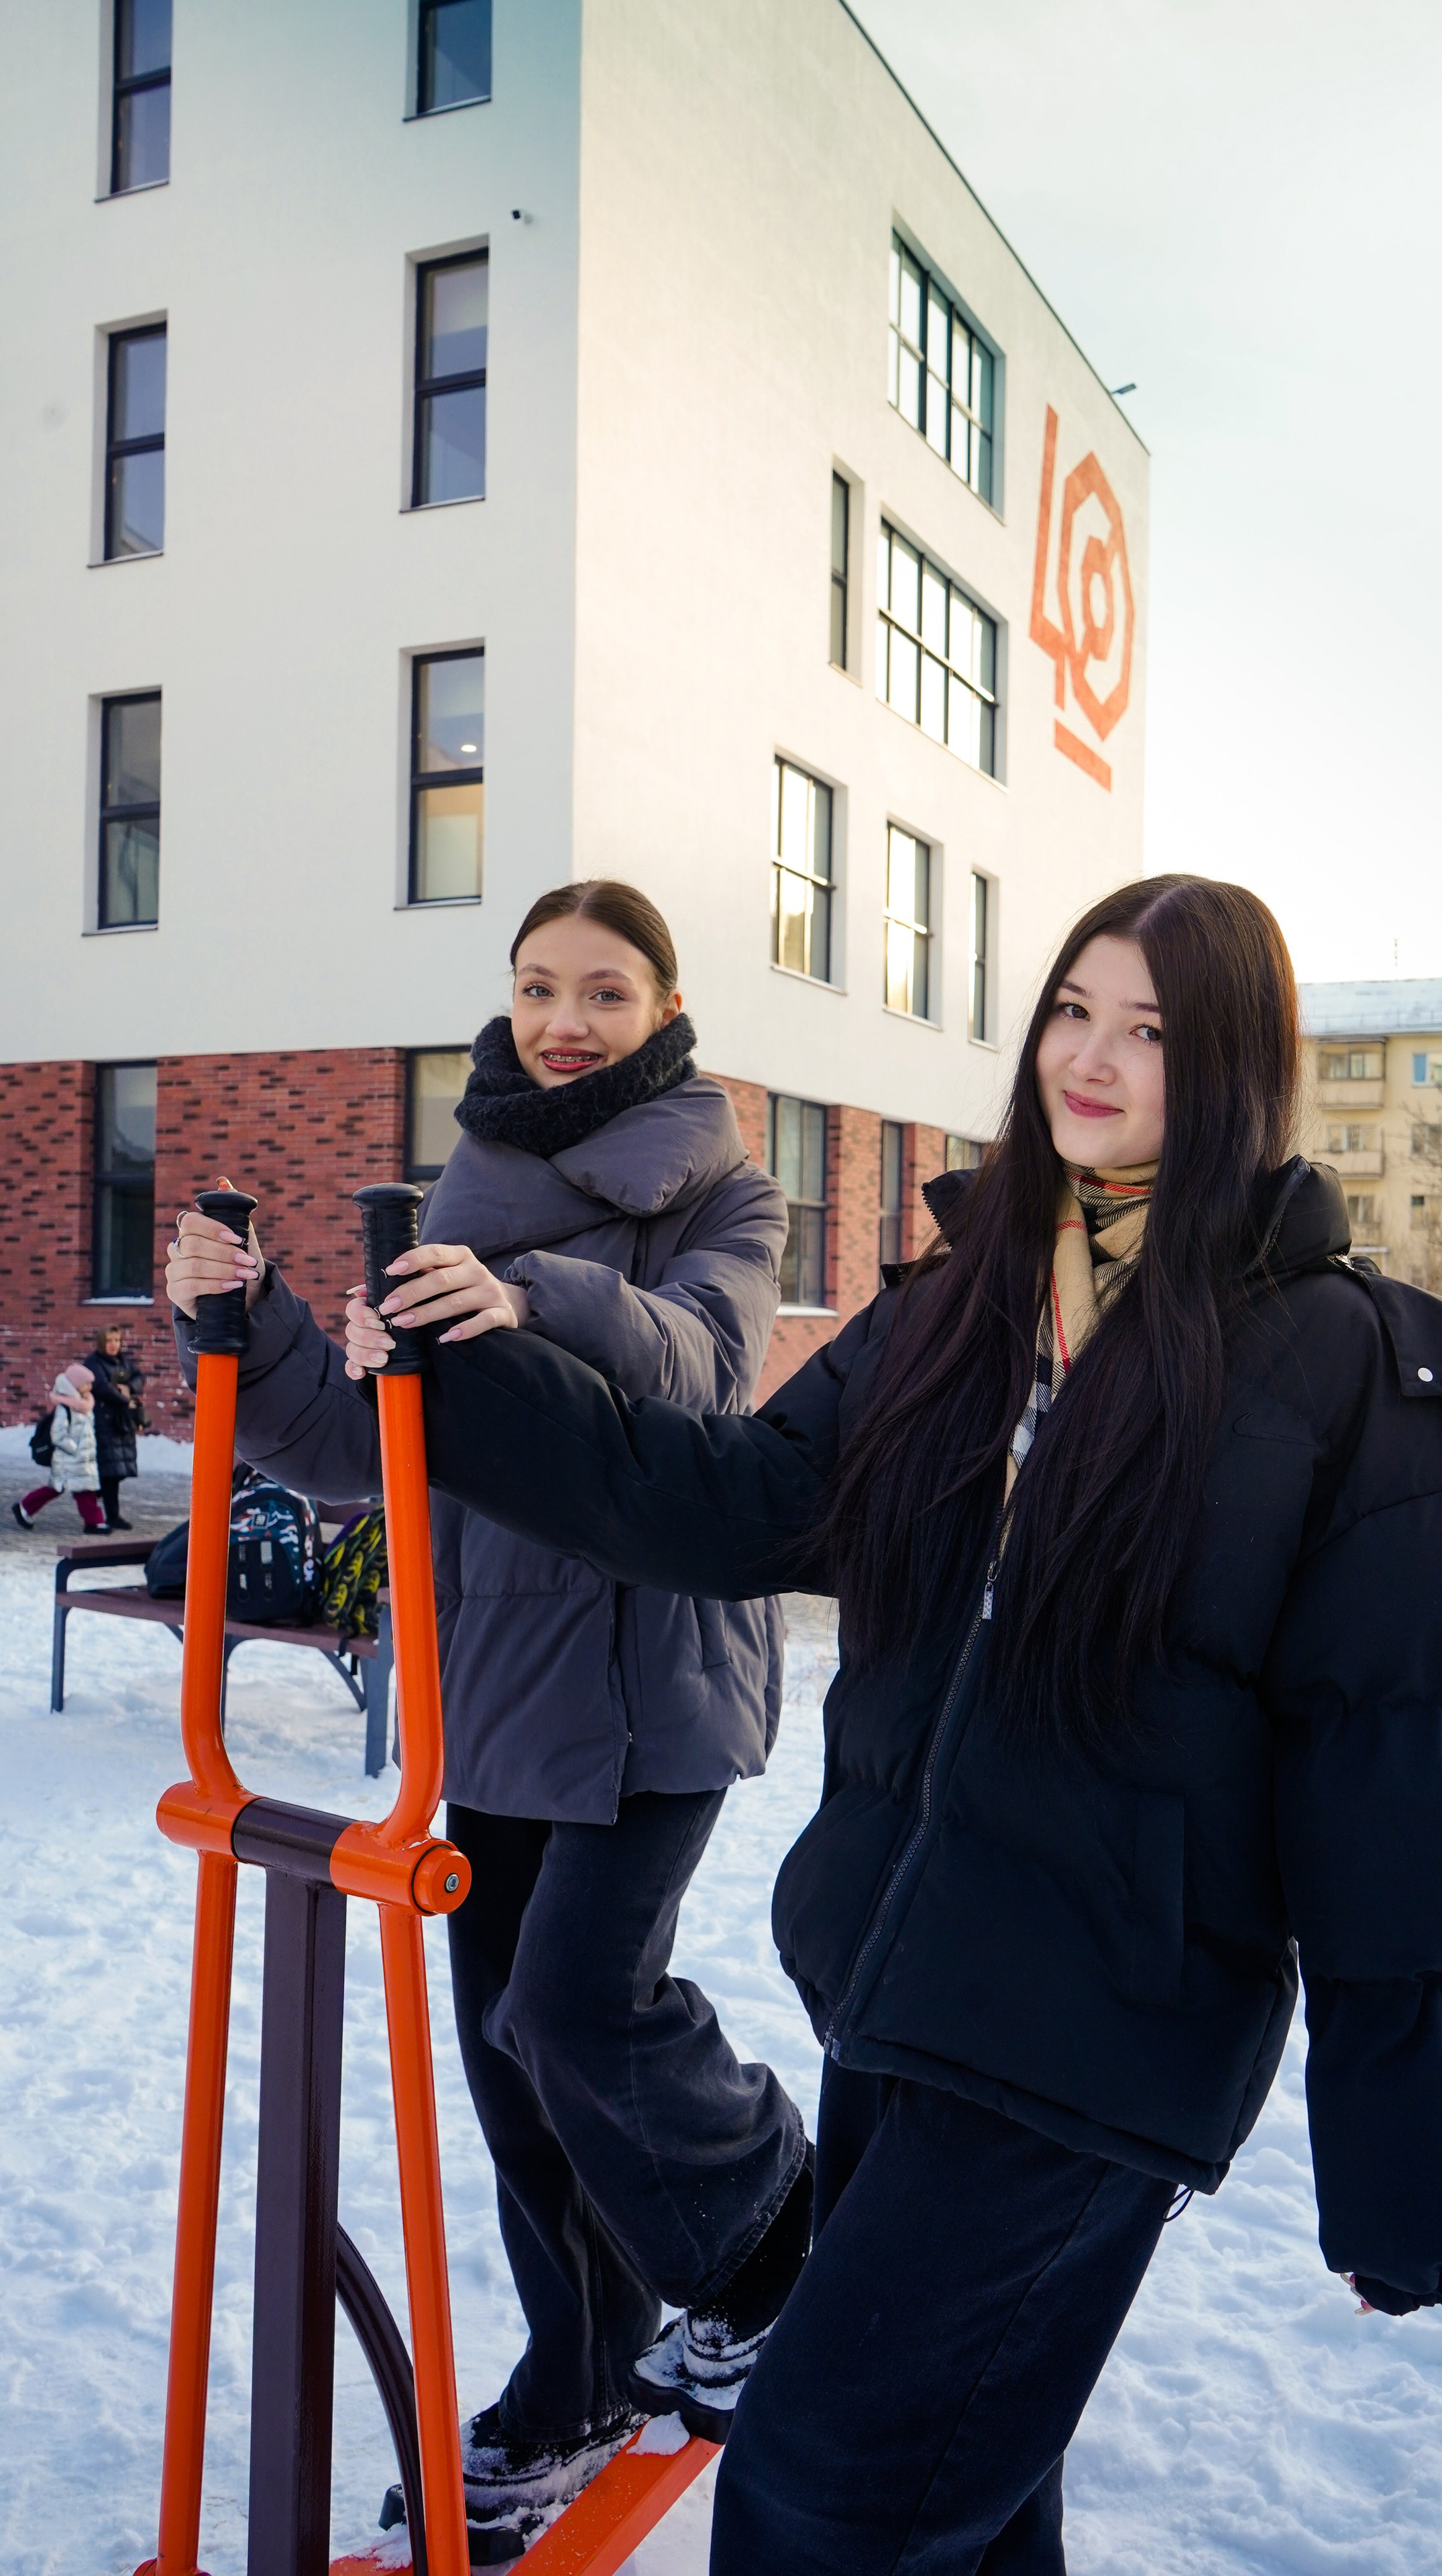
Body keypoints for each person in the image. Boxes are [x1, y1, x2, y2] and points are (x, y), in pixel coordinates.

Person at [388, 875, 1442, 2575]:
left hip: (1091, 2040)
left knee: (817, 2501)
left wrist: (1417, 2178)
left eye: (1149, 1027)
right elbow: (730, 1499)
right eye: (1072, 1007)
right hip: (897, 1987)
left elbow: (1412, 1787)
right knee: (969, 2513)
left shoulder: (1342, 1373)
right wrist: (477, 1371)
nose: (1090, 1055)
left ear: (1232, 1062)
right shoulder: (962, 1306)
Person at [164, 880, 810, 2544]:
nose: (564, 1017)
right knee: (516, 2066)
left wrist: (533, 1299)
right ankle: (582, 2364)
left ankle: (777, 2239)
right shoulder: (461, 1188)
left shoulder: (723, 1188)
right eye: (538, 985)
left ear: (664, 1006)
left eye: (604, 988)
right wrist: (247, 1323)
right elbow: (352, 1446)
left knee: (585, 2010)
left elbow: (704, 1363)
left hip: (657, 1670)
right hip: (500, 1690)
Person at [13, 1364, 107, 1532]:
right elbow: (58, 1435)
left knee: (82, 1490)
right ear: (75, 1386)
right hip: (68, 1459)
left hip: (81, 1459)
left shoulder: (84, 1406)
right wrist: (75, 1450)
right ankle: (24, 1508)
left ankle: (94, 1522)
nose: (89, 1388)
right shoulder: (65, 1408)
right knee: (61, 1489)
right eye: (86, 1384)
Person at [86, 1320, 148, 1530]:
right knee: (109, 1472)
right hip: (103, 1424)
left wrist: (128, 1387)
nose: (113, 1344)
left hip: (122, 1425)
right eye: (109, 1340)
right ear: (101, 1342)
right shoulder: (94, 1363)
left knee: (117, 1471)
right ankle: (108, 1514)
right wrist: (125, 1400)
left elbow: (140, 1377)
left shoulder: (123, 1362)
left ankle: (94, 1499)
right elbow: (102, 1388)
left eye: (117, 1340)